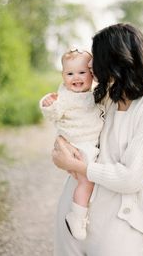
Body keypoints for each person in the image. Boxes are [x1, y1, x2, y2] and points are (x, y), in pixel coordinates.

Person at [52, 23, 143, 256]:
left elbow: (133, 176)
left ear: (116, 59)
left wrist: (78, 166)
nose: (90, 63)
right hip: (77, 209)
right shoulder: (109, 94)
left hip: (123, 220)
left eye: (96, 56)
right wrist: (61, 146)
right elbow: (71, 121)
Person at [39, 49, 104, 240]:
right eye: (70, 74)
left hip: (89, 144)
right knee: (87, 180)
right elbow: (54, 113)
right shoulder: (65, 96)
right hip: (77, 145)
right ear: (63, 76)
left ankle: (84, 211)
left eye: (82, 72)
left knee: (91, 181)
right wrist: (48, 103)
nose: (76, 78)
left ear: (92, 74)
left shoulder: (92, 94)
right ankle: (76, 216)